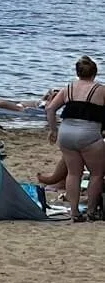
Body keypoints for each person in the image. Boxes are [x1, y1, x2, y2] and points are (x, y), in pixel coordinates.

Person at [46, 56, 105, 221]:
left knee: (73, 174)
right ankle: (92, 212)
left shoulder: (68, 89)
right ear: (95, 73)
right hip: (89, 134)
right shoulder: (101, 90)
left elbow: (50, 109)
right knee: (96, 175)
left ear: (77, 73)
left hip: (66, 133)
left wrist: (53, 130)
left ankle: (74, 212)